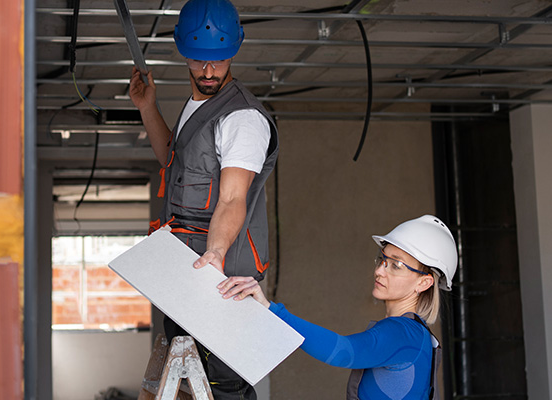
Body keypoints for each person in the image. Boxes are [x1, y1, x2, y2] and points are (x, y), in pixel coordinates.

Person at [128, 0, 278, 398]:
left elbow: (231, 198)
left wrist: (215, 252)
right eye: (198, 60)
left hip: (222, 281)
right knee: (183, 386)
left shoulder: (242, 119)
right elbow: (173, 161)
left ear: (235, 51)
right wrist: (148, 108)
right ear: (182, 52)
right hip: (185, 278)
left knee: (221, 386)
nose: (209, 71)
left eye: (219, 60)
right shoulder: (200, 108)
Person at [216, 215, 458, 400]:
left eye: (396, 265)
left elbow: (344, 351)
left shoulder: (403, 333)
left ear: (424, 283)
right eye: (382, 259)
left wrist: (272, 310)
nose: (379, 270)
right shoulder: (418, 335)